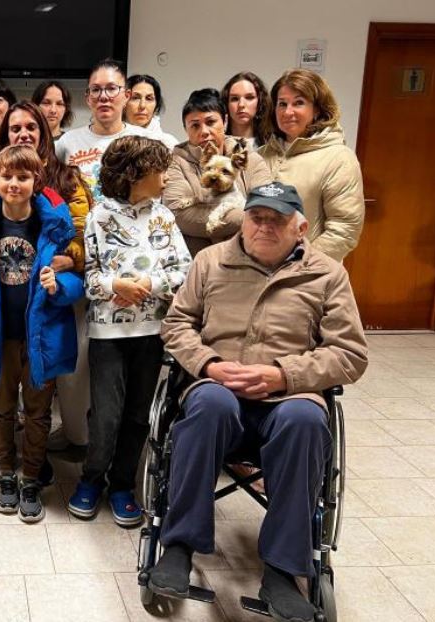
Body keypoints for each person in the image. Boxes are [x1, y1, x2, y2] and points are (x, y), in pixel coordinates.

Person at [150, 182, 368, 622]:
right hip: (218, 388)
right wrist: (209, 364)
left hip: (290, 396)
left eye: (278, 219)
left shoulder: (327, 274)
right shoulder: (210, 261)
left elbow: (350, 353)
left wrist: (284, 375)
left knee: (306, 420)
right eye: (257, 216)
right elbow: (176, 325)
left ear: (300, 227)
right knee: (209, 406)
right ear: (244, 219)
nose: (264, 226)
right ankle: (179, 544)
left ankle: (284, 571)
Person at [0, 145, 83, 523]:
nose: (14, 183)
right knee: (2, 407)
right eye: (7, 176)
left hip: (40, 338)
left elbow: (77, 282)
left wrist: (60, 286)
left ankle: (31, 477)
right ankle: (6, 472)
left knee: (39, 411)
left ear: (36, 181)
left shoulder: (53, 226)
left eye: (23, 177)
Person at [67, 136, 191, 527]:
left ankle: (122, 485)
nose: (167, 177)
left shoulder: (165, 218)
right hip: (108, 334)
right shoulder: (100, 217)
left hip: (152, 332)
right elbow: (90, 280)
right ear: (137, 173)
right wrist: (115, 286)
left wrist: (151, 285)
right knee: (106, 414)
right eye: (161, 169)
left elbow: (184, 270)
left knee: (138, 414)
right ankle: (91, 478)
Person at [0, 101, 92, 451]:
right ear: (5, 135)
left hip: (52, 298)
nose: (23, 133)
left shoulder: (67, 177)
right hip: (3, 302)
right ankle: (5, 460)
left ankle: (34, 464)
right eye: (15, 128)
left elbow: (80, 237)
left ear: (44, 131)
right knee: (2, 395)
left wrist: (68, 260)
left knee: (45, 391)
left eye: (31, 127)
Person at [259, 69, 365, 261]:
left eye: (298, 103)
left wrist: (299, 265)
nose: (287, 112)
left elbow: (345, 228)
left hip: (307, 278)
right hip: (257, 272)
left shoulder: (339, 158)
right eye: (282, 104)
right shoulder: (260, 156)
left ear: (317, 109)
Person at [163, 88, 272, 256]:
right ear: (186, 129)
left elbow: (266, 207)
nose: (204, 131)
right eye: (195, 125)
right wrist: (251, 220)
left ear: (225, 121)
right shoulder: (174, 163)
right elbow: (180, 215)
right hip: (196, 263)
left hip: (248, 261)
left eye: (211, 122)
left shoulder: (252, 160)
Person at [55, 58, 156, 201]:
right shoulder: (67, 142)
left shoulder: (145, 141)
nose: (103, 96)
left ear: (126, 96)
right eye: (95, 90)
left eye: (111, 88)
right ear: (88, 98)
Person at [123, 74, 178, 148]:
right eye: (135, 98)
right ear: (123, 102)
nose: (142, 105)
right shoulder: (109, 140)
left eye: (149, 99)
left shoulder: (169, 145)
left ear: (156, 106)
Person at [221, 71, 272, 150]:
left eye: (249, 97)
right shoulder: (216, 146)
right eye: (235, 99)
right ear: (226, 103)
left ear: (260, 101)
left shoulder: (272, 146)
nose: (241, 105)